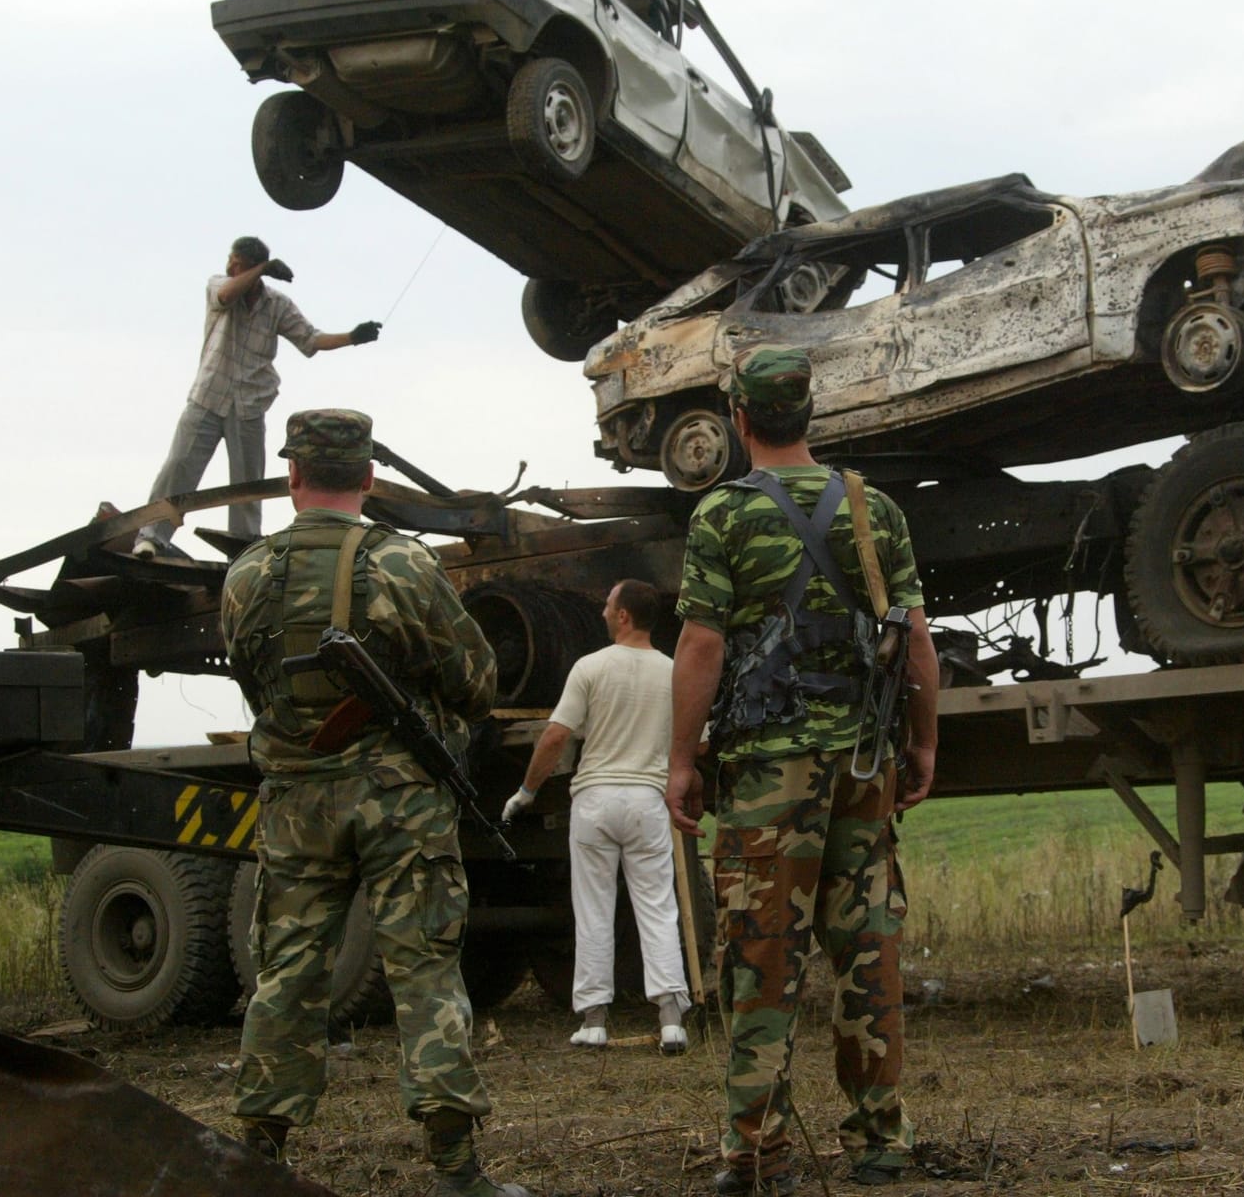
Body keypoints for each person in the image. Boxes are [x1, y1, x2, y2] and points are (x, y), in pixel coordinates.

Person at [222, 408, 529, 1197]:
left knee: (286, 975)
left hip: (295, 799)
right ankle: (457, 1172)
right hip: (399, 801)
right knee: (424, 972)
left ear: (292, 477)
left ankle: (259, 1158)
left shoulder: (247, 574)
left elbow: (257, 683)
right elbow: (476, 680)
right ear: (367, 479)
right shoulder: (404, 565)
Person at [665, 346, 941, 1195]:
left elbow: (703, 644)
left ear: (742, 421)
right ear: (809, 415)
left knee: (763, 962)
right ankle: (881, 1145)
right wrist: (923, 745)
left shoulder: (723, 516)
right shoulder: (875, 510)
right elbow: (918, 638)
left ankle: (756, 1152)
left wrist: (681, 759)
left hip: (767, 780)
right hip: (863, 766)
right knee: (868, 956)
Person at [500, 579, 691, 1054]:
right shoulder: (672, 672)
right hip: (647, 800)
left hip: (595, 800)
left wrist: (526, 792)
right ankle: (670, 1019)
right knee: (658, 908)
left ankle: (594, 1020)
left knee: (593, 910)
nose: (604, 612)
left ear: (624, 615)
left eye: (608, 605)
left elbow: (554, 737)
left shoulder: (590, 667)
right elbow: (697, 740)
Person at [136, 236, 382, 556]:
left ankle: (242, 548)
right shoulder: (219, 285)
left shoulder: (276, 304)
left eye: (236, 263)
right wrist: (261, 269)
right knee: (179, 467)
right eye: (231, 261)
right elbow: (226, 294)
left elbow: (311, 340)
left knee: (247, 484)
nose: (230, 267)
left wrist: (353, 337)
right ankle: (152, 536)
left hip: (249, 406)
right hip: (208, 398)